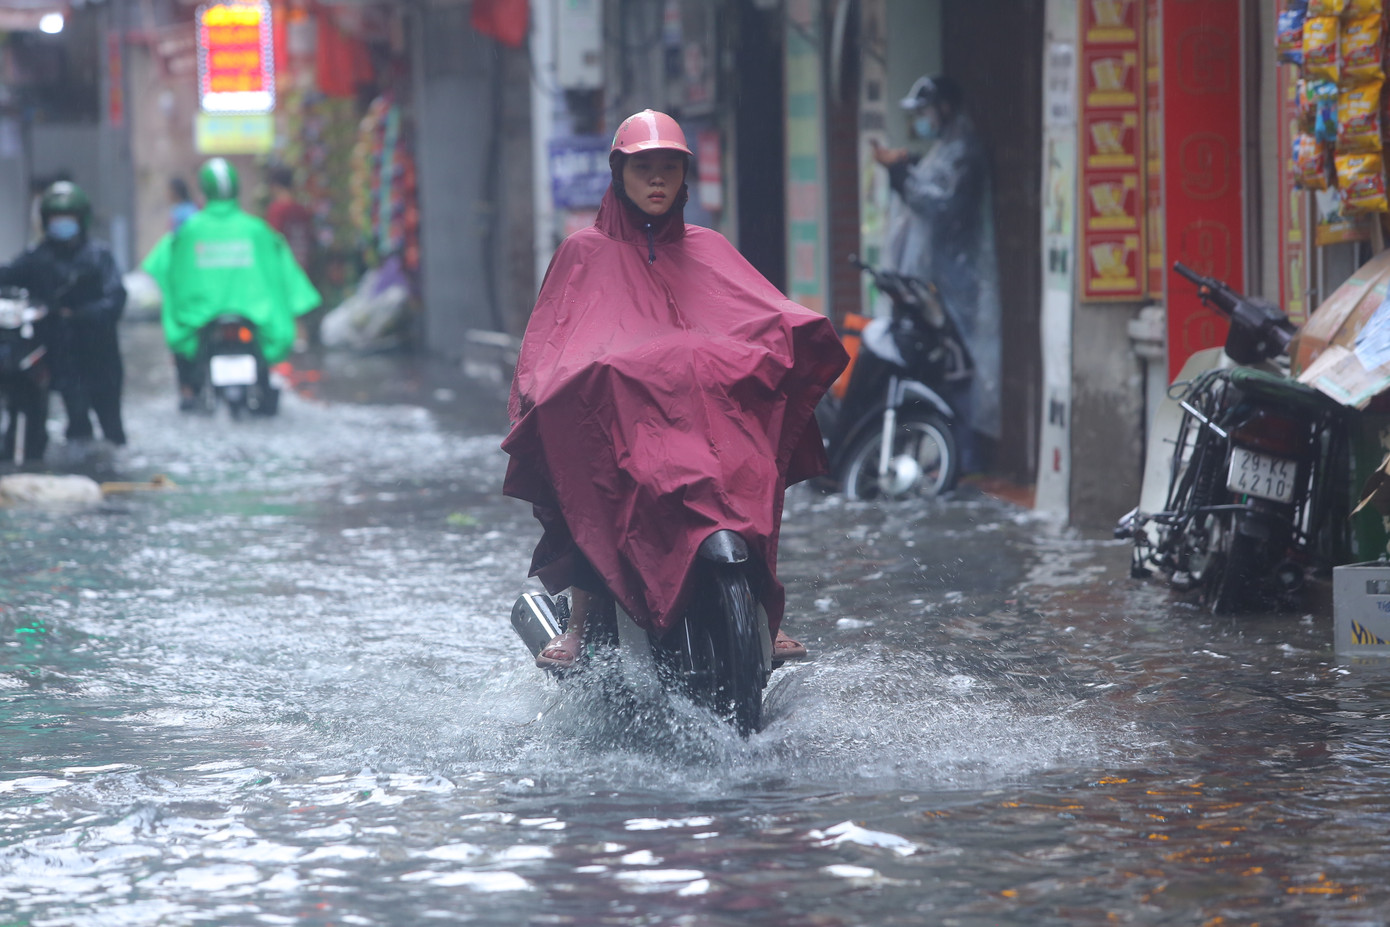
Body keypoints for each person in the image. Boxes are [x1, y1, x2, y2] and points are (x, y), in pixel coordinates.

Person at [502, 109, 847, 669]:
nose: (658, 181)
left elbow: (757, 313)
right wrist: (563, 387)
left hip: (704, 429)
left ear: (686, 178)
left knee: (750, 476)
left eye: (669, 168)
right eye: (645, 169)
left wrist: (793, 339)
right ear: (620, 175)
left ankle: (763, 614)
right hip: (623, 433)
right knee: (590, 481)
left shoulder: (709, 247)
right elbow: (551, 347)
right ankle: (579, 626)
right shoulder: (582, 253)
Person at [872, 74, 1001, 474]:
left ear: (944, 109)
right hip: (934, 287)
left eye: (926, 111)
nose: (922, 120)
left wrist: (902, 176)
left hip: (958, 288)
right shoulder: (941, 151)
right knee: (937, 372)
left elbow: (944, 208)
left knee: (959, 373)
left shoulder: (963, 153)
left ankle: (966, 461)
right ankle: (945, 459)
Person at [141, 158, 321, 411]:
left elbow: (165, 267)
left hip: (201, 321)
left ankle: (190, 391)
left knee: (188, 386)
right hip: (253, 319)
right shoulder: (257, 230)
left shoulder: (188, 231)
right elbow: (284, 270)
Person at [0, 180, 128, 450]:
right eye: (57, 218)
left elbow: (115, 299)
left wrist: (77, 314)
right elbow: (9, 274)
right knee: (77, 422)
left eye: (68, 218)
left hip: (100, 354)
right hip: (62, 356)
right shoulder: (38, 257)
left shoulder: (98, 256)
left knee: (111, 426)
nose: (63, 224)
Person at [263, 164, 319, 349]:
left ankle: (294, 350)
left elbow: (271, 241)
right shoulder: (302, 210)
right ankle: (302, 347)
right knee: (298, 313)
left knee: (287, 313)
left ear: (274, 186)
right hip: (303, 264)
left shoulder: (277, 210)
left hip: (284, 268)